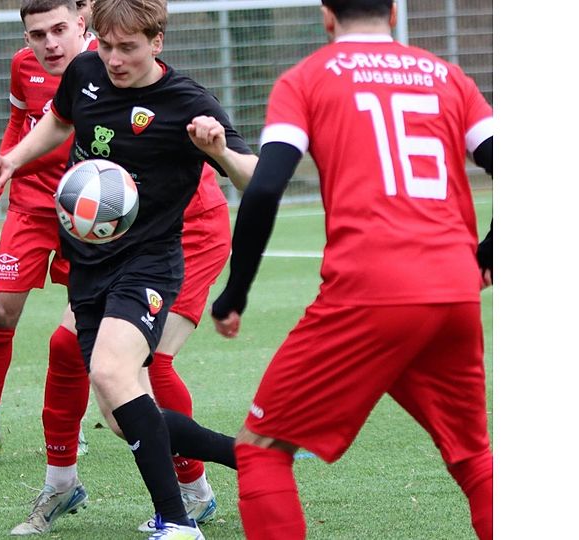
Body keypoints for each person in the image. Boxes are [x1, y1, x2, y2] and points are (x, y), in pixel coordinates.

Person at [0, 0, 233, 535]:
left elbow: (246, 173)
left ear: (85, 23)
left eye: (60, 29)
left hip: (181, 235)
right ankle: (239, 458)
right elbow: (50, 127)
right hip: (99, 244)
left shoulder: (168, 93)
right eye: (37, 34)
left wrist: (222, 150)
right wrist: (3, 166)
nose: (50, 44)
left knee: (136, 369)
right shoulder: (76, 74)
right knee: (107, 395)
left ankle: (186, 503)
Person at [194, 1, 494, 538]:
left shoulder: (307, 78)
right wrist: (487, 257)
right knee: (473, 458)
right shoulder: (448, 77)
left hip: (370, 293)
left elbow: (264, 186)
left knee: (260, 449)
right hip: (454, 290)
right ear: (396, 12)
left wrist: (234, 293)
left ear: (326, 14)